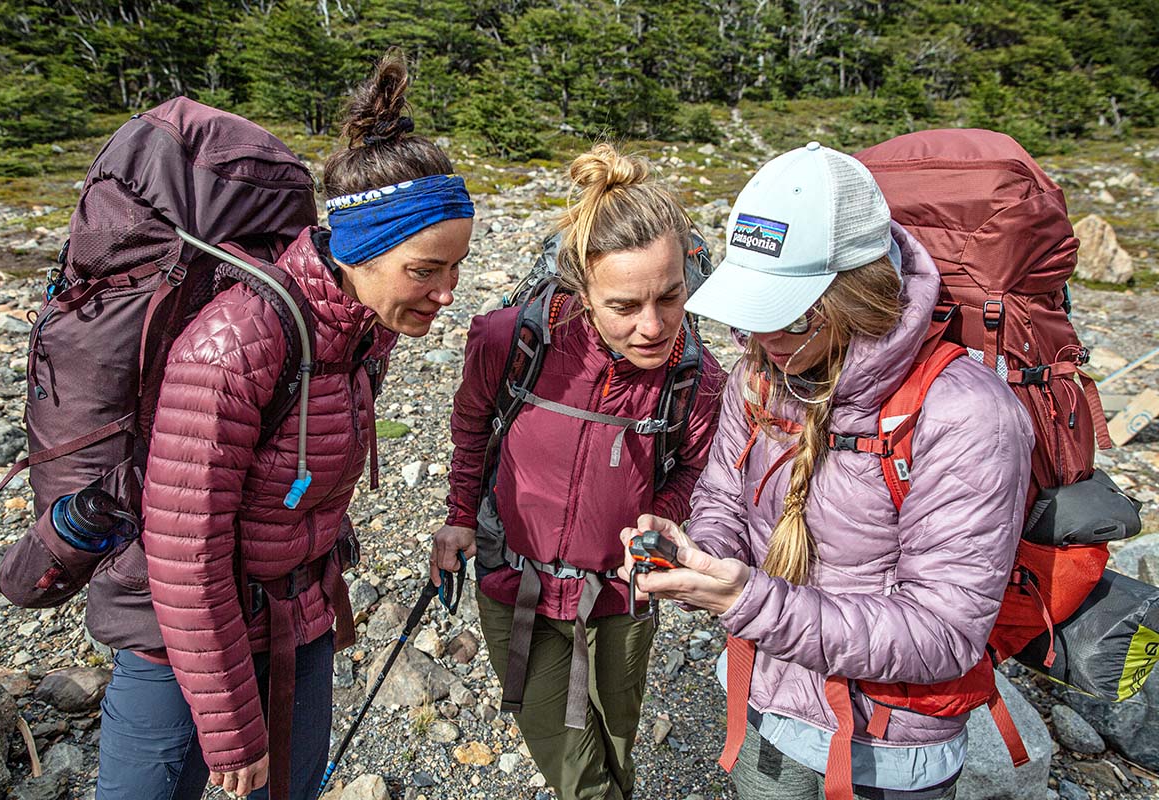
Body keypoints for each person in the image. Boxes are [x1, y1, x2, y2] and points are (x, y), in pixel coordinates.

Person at [95, 54, 474, 800]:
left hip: (294, 613)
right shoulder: (235, 344)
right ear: (359, 248)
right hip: (177, 644)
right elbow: (184, 551)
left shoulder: (365, 327)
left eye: (457, 268)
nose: (447, 293)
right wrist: (233, 724)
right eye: (426, 270)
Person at [620, 142, 1035, 800]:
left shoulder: (968, 415)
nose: (760, 336)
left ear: (854, 295)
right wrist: (694, 557)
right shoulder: (760, 372)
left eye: (786, 313)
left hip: (887, 752)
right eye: (750, 309)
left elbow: (944, 634)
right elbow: (725, 500)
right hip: (760, 703)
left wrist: (745, 601)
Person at [430, 143, 725, 800]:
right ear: (581, 289)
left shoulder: (696, 379)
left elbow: (698, 470)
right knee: (572, 764)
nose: (653, 327)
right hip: (517, 582)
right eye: (624, 305)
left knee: (618, 737)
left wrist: (665, 516)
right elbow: (474, 424)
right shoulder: (511, 341)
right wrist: (457, 517)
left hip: (627, 590)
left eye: (670, 297)